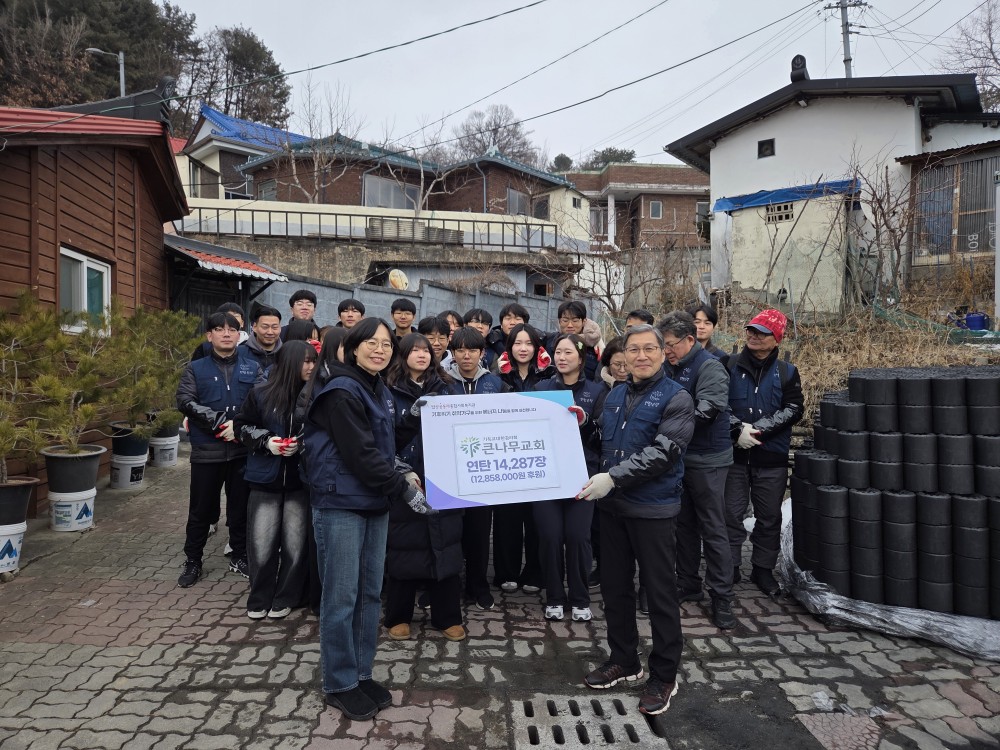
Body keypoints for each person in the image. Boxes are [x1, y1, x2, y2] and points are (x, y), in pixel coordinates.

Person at [304, 317, 434, 721]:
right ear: (352, 348)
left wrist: (414, 416)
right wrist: (403, 490)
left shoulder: (375, 389)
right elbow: (361, 454)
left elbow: (386, 439)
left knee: (368, 595)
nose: (380, 349)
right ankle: (339, 682)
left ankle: (360, 673)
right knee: (341, 598)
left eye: (385, 344)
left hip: (372, 503)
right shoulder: (342, 390)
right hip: (341, 503)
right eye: (371, 343)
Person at [578, 323, 694, 717]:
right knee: (614, 589)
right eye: (633, 350)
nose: (641, 356)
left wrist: (613, 478)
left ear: (664, 353)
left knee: (660, 594)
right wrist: (580, 424)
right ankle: (624, 660)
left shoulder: (677, 398)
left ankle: (664, 674)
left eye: (649, 349)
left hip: (653, 510)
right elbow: (605, 444)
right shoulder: (612, 396)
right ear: (622, 355)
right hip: (613, 510)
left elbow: (665, 452)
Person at [382, 333, 465, 642]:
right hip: (403, 478)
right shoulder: (386, 391)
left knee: (446, 543)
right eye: (414, 350)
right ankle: (398, 615)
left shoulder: (447, 389)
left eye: (426, 351)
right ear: (402, 355)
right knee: (404, 545)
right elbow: (383, 437)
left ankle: (447, 617)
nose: (422, 355)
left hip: (444, 476)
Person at [658, 311, 737, 630]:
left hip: (708, 460)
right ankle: (688, 582)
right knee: (684, 525)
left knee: (713, 527)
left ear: (690, 340)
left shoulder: (710, 367)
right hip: (680, 460)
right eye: (663, 346)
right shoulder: (670, 366)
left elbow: (708, 410)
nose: (666, 351)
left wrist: (667, 428)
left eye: (670, 345)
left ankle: (722, 596)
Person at [176, 312, 263, 587]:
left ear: (240, 335)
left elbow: (262, 401)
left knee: (240, 509)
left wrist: (238, 426)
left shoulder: (252, 367)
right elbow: (185, 400)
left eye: (232, 329)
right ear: (209, 335)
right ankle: (193, 560)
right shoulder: (196, 368)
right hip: (207, 452)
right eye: (219, 329)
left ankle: (240, 555)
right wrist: (220, 422)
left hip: (241, 451)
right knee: (201, 510)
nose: (226, 333)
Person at [234, 340, 316, 620]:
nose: (311, 366)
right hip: (264, 478)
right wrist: (267, 441)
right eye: (305, 361)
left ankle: (287, 595)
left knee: (295, 543)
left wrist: (300, 444)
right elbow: (241, 426)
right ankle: (259, 597)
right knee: (261, 542)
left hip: (299, 481)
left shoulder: (317, 396)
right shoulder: (260, 394)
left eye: (314, 361)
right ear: (290, 362)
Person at [724, 309, 803, 596]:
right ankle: (730, 567)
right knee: (730, 513)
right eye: (751, 330)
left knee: (769, 516)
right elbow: (717, 403)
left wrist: (758, 430)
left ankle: (762, 569)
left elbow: (794, 409)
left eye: (762, 332)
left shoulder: (787, 372)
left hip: (771, 458)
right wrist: (736, 430)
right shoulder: (728, 364)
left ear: (776, 338)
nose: (753, 336)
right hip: (733, 457)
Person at [533, 334, 608, 622]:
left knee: (578, 536)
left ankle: (579, 598)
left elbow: (602, 436)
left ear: (581, 357)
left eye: (568, 352)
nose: (562, 357)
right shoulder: (541, 388)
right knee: (550, 537)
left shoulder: (597, 391)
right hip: (546, 475)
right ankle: (554, 596)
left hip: (582, 475)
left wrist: (585, 423)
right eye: (558, 352)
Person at [442, 327, 509, 610]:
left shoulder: (496, 384)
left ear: (483, 353)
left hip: (483, 473)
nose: (466, 356)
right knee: (448, 533)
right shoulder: (441, 383)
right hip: (448, 470)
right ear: (453, 354)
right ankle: (444, 584)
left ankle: (477, 586)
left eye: (472, 350)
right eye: (460, 350)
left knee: (480, 533)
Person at [493, 323, 552, 595]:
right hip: (506, 456)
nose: (523, 348)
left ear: (537, 346)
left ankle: (535, 572)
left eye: (529, 343)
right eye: (518, 343)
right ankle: (506, 571)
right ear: (510, 346)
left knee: (538, 518)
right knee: (507, 518)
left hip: (540, 456)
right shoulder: (498, 378)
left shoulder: (550, 376)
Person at [550, 301, 602, 381]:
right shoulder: (549, 342)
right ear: (559, 321)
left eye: (575, 321)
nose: (570, 325)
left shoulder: (596, 348)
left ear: (584, 321)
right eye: (565, 320)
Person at [486, 302, 529, 371]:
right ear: (501, 324)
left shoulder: (535, 342)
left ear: (525, 323)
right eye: (508, 318)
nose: (512, 323)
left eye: (517, 319)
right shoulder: (490, 343)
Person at [240, 305, 283, 372]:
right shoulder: (239, 353)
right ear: (254, 327)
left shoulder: (287, 355)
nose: (270, 332)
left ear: (280, 328)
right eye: (265, 327)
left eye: (274, 327)